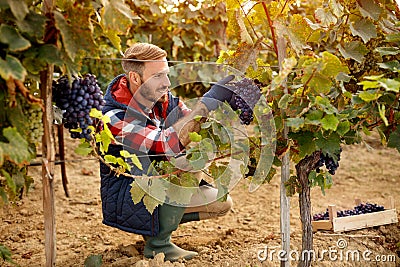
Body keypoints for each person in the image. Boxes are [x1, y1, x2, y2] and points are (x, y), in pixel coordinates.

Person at [100, 42, 235, 262]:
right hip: (129, 197)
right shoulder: (114, 116)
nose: (167, 83)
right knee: (188, 164)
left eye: (167, 74)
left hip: (157, 185)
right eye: (158, 76)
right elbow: (166, 144)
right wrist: (206, 103)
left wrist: (223, 109)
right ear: (135, 78)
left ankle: (153, 226)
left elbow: (193, 126)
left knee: (220, 202)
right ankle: (158, 245)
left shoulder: (164, 100)